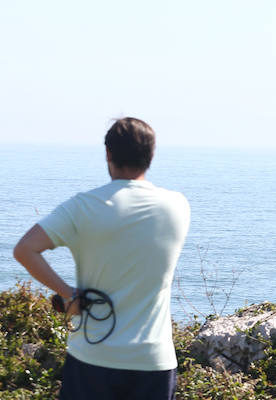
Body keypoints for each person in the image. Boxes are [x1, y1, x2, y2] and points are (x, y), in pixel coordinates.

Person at [13, 117, 190, 400]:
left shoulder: (82, 207)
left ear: (108, 154)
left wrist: (67, 294)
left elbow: (25, 249)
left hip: (92, 357)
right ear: (151, 156)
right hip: (153, 360)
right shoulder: (177, 206)